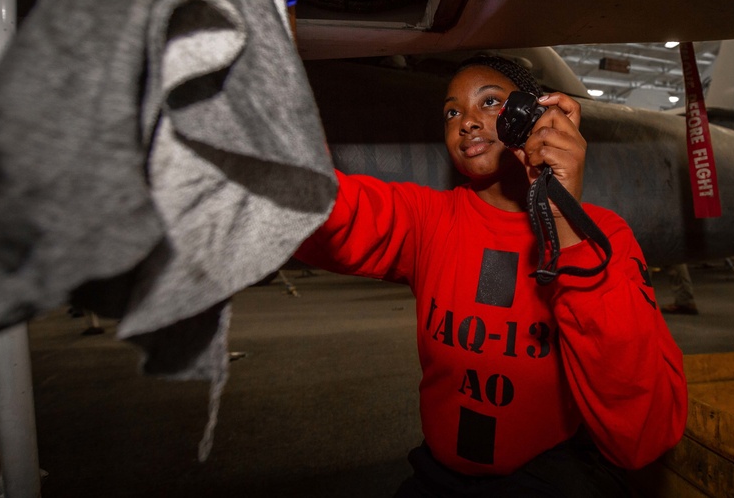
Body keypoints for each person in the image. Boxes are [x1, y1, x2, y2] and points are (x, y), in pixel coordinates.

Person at [295, 54, 688, 496]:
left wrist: (563, 219)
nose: (466, 121)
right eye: (452, 111)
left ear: (534, 114)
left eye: (490, 103)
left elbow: (643, 434)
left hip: (548, 475)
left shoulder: (600, 238)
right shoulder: (426, 219)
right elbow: (316, 207)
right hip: (438, 474)